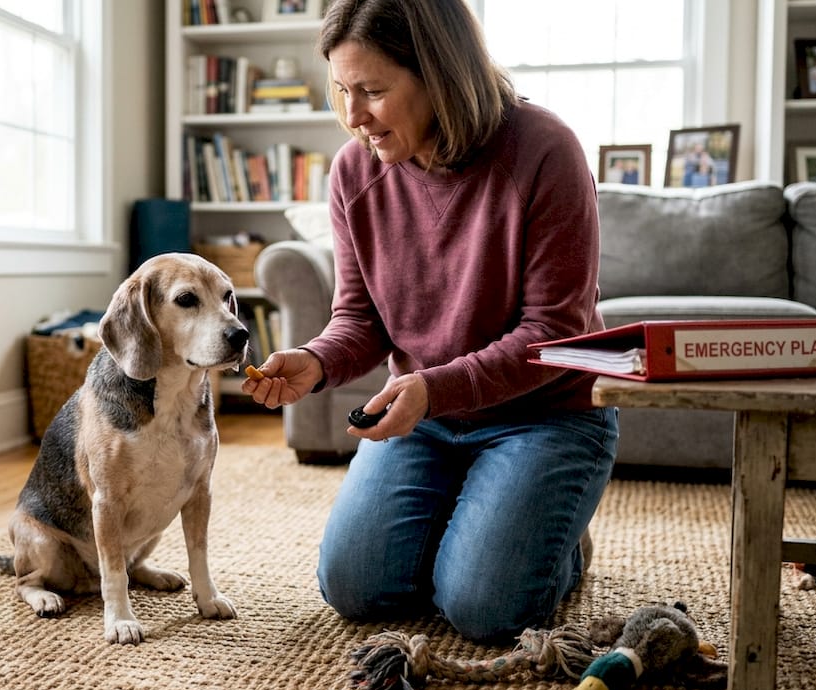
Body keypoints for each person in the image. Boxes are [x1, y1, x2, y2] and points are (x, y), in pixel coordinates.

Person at [241, 0, 618, 642]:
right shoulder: (354, 172)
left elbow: (555, 332)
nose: (354, 117)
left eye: (373, 91)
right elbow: (361, 319)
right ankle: (485, 518)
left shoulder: (544, 150)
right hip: (425, 418)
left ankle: (561, 543)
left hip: (546, 415)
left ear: (440, 75)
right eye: (342, 90)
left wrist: (434, 389)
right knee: (356, 588)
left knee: (485, 610)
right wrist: (318, 359)